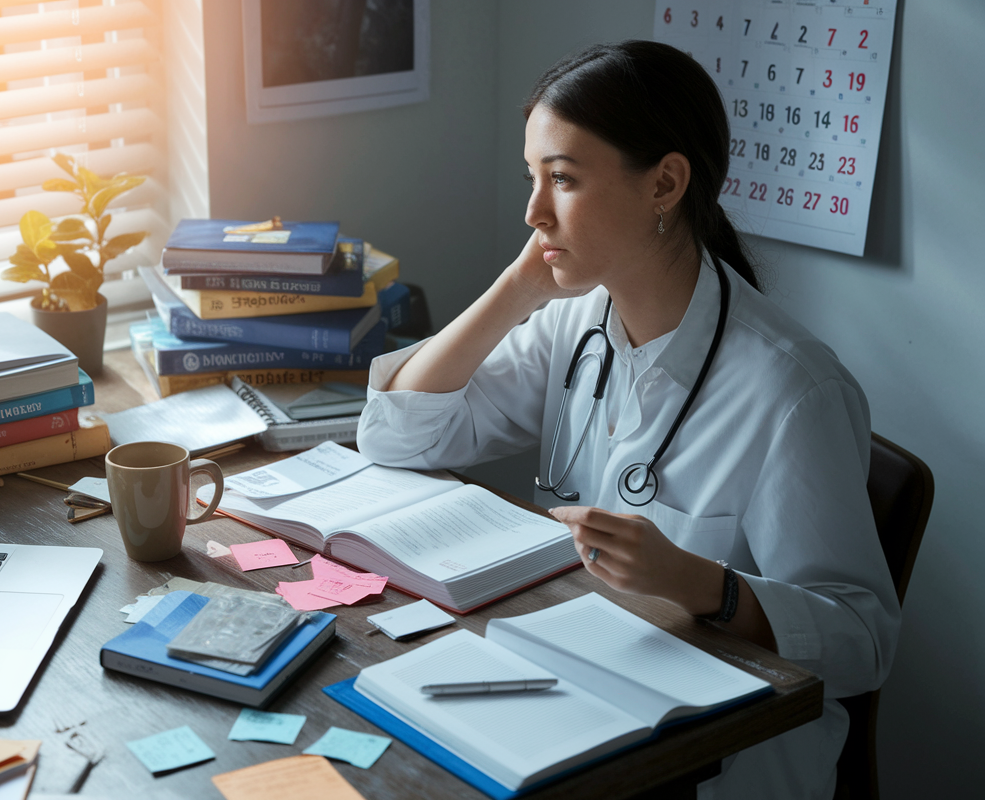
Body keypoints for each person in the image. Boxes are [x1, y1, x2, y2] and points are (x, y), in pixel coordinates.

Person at [356, 40, 900, 800]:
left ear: (665, 185)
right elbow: (397, 434)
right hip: (576, 693)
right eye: (532, 178)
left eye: (563, 180)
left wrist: (704, 585)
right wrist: (517, 289)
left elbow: (865, 644)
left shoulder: (792, 392)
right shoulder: (576, 319)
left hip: (721, 762)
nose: (532, 212)